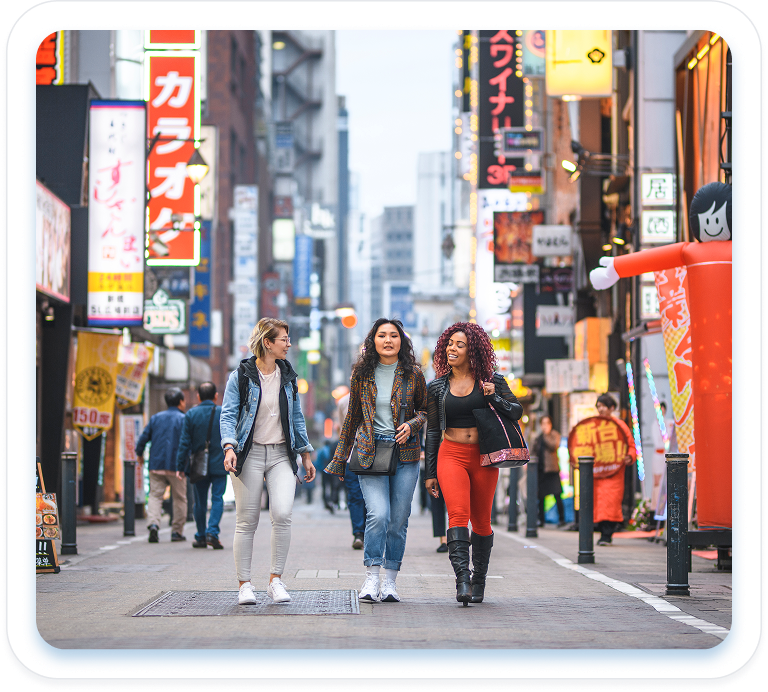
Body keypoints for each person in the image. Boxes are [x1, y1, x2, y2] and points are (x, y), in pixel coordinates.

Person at [324, 318, 428, 603]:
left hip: (405, 454)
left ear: (401, 341)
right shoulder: (362, 374)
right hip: (370, 451)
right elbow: (352, 418)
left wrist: (413, 424)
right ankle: (371, 576)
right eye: (382, 335)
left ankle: (390, 581)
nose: (388, 340)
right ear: (373, 341)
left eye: (393, 335)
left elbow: (425, 410)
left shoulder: (414, 374)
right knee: (378, 514)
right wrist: (340, 458)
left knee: (398, 520)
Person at [424, 322, 523, 604]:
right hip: (451, 454)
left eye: (460, 345)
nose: (452, 349)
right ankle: (462, 580)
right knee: (457, 515)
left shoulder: (492, 381)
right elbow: (433, 431)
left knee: (481, 521)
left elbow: (516, 411)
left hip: (484, 456)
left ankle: (479, 579)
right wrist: (430, 472)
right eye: (450, 344)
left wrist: (495, 397)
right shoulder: (437, 387)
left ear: (473, 350)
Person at [219, 318, 316, 605]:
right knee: (247, 520)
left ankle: (275, 580)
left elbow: (296, 417)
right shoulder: (241, 376)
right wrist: (229, 447)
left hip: (281, 454)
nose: (289, 344)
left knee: (283, 514)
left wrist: (305, 454)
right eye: (284, 339)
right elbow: (228, 414)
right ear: (267, 343)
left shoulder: (288, 377)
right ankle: (245, 585)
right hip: (249, 453)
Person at [175, 382, 226, 549]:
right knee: (217, 498)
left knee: (200, 501)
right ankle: (213, 532)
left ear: (198, 396)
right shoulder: (223, 412)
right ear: (216, 396)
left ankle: (201, 536)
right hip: (220, 463)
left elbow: (184, 442)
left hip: (198, 464)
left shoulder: (191, 414)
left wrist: (180, 466)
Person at [136, 387, 187, 543]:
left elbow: (143, 438)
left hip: (156, 464)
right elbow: (187, 442)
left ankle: (153, 525)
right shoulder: (184, 419)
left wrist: (139, 454)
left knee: (155, 496)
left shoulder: (156, 418)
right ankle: (176, 532)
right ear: (180, 402)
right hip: (177, 466)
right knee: (179, 498)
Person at [594, 393, 636, 545]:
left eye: (603, 406)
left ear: (611, 408)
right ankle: (603, 533)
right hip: (598, 472)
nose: (600, 409)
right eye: (598, 406)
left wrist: (630, 456)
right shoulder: (593, 426)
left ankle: (607, 534)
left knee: (611, 502)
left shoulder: (620, 426)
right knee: (599, 502)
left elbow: (631, 445)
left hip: (614, 472)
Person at [337, 390, 367, 550]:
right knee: (355, 495)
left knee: (371, 495)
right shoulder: (343, 402)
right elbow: (342, 431)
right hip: (351, 455)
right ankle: (358, 534)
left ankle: (369, 533)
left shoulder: (376, 395)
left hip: (374, 456)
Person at [535, 416, 566, 528]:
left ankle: (562, 519)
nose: (545, 426)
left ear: (550, 424)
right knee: (541, 496)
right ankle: (541, 519)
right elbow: (534, 451)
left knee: (557, 494)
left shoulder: (554, 435)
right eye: (543, 423)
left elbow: (554, 446)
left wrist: (546, 435)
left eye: (547, 423)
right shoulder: (538, 438)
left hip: (552, 470)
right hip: (541, 470)